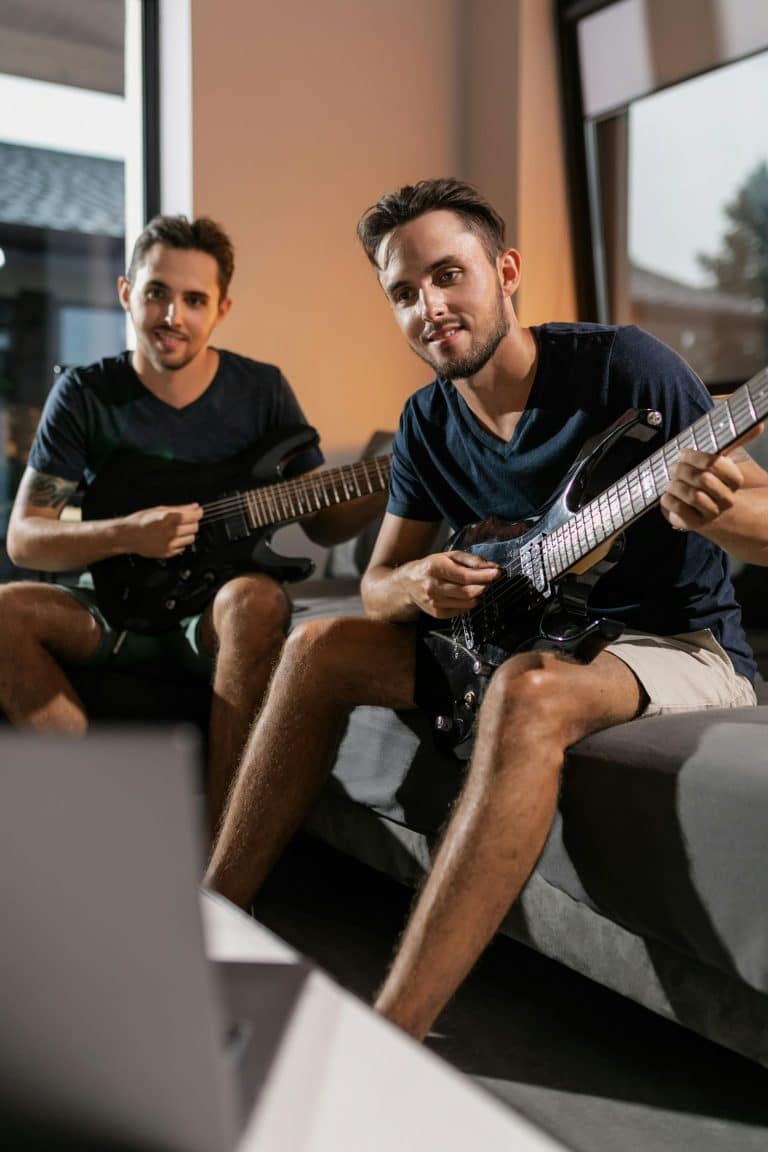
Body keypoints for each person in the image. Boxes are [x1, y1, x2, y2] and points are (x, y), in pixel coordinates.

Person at [204, 178, 768, 1040]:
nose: (429, 307)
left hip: (675, 642)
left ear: (505, 271)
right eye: (403, 292)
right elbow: (378, 579)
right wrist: (417, 583)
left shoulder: (626, 367)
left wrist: (719, 511)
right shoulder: (427, 419)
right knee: (322, 650)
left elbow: (762, 522)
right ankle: (212, 926)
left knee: (529, 693)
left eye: (447, 275)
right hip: (515, 629)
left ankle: (390, 1038)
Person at [0, 214, 385, 835]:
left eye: (193, 299)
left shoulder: (260, 390)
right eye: (157, 293)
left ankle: (219, 848)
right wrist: (126, 533)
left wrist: (395, 475)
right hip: (108, 603)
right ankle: (101, 820)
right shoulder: (83, 393)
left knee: (255, 602)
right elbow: (25, 536)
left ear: (221, 309)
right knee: (3, 611)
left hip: (209, 615)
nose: (172, 314)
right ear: (128, 293)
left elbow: (323, 525)